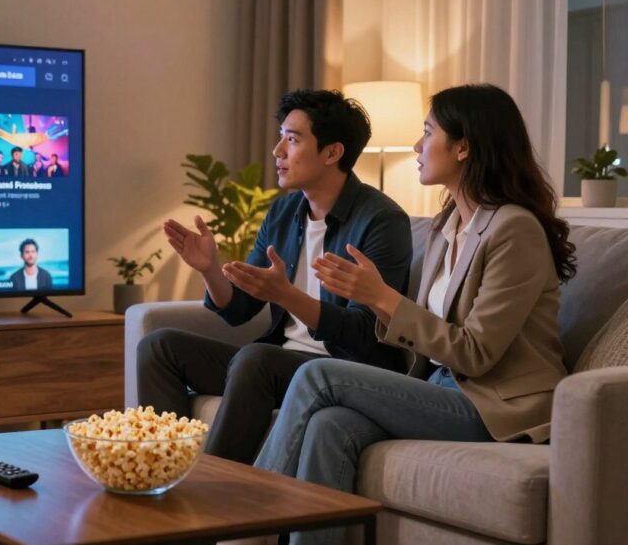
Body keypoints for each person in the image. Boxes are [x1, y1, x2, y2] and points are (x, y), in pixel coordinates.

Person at [254, 84, 576, 545]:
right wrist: (378, 300)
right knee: (331, 425)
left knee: (317, 377)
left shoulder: (514, 230)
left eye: (427, 133)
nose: (416, 147)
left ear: (463, 147)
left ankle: (242, 526)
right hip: (442, 387)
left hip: (495, 406)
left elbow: (477, 353)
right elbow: (423, 339)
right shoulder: (447, 226)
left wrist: (382, 297)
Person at [137, 89, 412, 464]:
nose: (277, 150)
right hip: (280, 365)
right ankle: (161, 469)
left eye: (293, 139)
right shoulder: (284, 212)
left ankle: (212, 491)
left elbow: (368, 334)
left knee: (257, 359)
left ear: (332, 153)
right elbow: (240, 309)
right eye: (281, 135)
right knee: (159, 347)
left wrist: (287, 296)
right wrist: (210, 270)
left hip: (343, 370)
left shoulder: (381, 221)